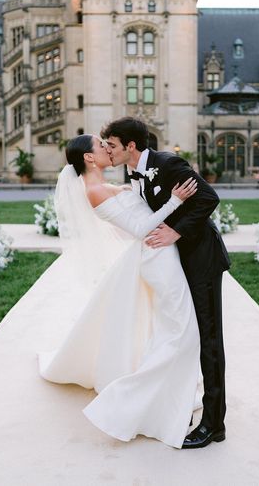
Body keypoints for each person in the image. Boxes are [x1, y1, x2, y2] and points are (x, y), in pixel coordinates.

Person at [39, 134, 205, 450]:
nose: (107, 148)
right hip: (157, 257)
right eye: (101, 145)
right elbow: (141, 229)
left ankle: (168, 392)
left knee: (173, 331)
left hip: (161, 255)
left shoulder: (107, 185)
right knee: (182, 332)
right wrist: (176, 201)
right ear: (89, 158)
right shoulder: (95, 191)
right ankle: (133, 401)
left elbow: (136, 209)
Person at [102, 117, 230, 449]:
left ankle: (214, 424)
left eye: (112, 145)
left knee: (208, 339)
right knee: (185, 335)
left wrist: (176, 230)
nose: (107, 151)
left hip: (201, 259)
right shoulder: (132, 172)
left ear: (131, 146)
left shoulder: (168, 163)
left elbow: (208, 197)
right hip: (177, 263)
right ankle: (182, 404)